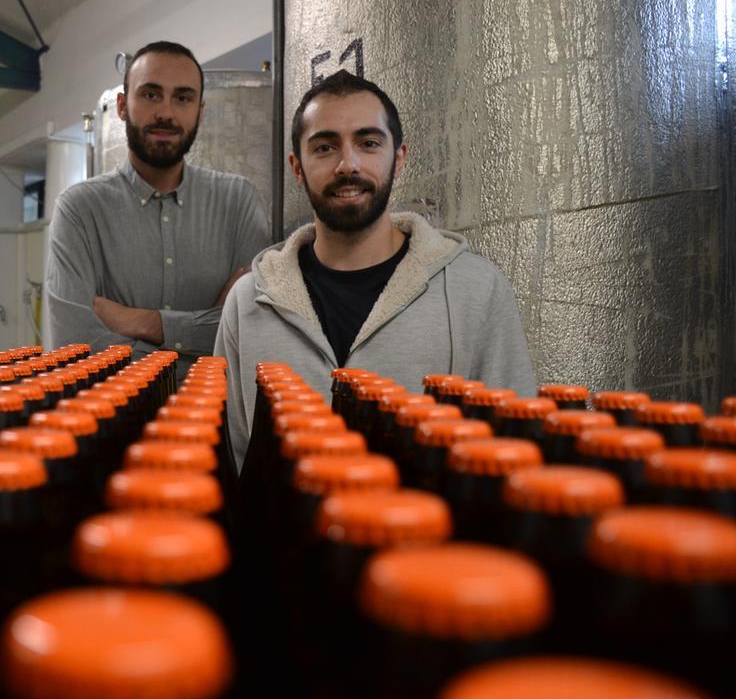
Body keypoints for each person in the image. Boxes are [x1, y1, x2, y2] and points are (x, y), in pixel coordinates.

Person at [215, 70, 536, 470]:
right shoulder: (247, 304)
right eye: (325, 147)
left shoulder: (476, 291)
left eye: (368, 143)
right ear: (297, 168)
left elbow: (512, 451)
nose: (347, 164)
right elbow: (237, 462)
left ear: (398, 158)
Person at [45, 41, 271, 366]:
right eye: (151, 95)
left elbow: (252, 330)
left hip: (218, 416)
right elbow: (76, 347)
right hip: (116, 416)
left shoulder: (238, 201)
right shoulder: (79, 209)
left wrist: (143, 322)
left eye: (182, 98)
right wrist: (206, 329)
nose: (166, 113)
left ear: (200, 112)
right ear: (122, 106)